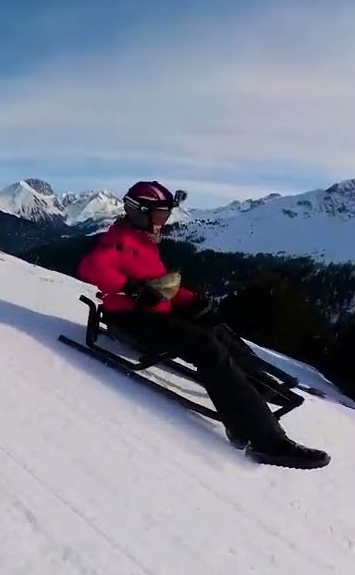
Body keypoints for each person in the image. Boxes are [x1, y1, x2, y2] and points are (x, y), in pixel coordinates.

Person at [76, 180, 330, 471]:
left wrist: (190, 301)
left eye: (165, 216)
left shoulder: (144, 241)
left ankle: (256, 385)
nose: (163, 222)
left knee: (216, 328)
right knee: (205, 345)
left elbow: (159, 286)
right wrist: (130, 287)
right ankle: (265, 441)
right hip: (133, 320)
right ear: (139, 212)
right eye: (159, 216)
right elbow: (91, 267)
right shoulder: (120, 239)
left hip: (156, 312)